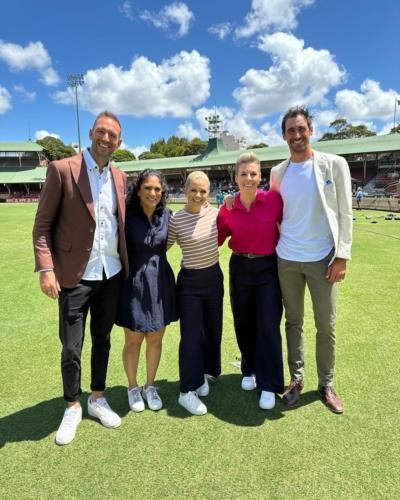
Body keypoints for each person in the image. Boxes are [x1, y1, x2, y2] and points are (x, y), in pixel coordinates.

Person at [32, 111, 128, 445]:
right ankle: (72, 404)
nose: (105, 139)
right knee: (72, 347)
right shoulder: (62, 169)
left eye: (112, 135)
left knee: (103, 339)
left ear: (119, 141)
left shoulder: (119, 175)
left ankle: (97, 397)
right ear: (90, 133)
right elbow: (42, 225)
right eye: (101, 132)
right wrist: (46, 269)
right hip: (74, 276)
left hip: (111, 273)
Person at [270, 106, 352, 414]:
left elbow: (345, 212)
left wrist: (342, 255)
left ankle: (326, 383)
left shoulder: (334, 165)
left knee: (325, 325)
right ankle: (296, 379)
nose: (296, 135)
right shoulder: (278, 172)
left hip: (323, 260)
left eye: (301, 128)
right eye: (290, 130)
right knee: (293, 322)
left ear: (311, 130)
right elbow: (273, 211)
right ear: (284, 135)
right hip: (287, 258)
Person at [218, 152, 284, 410]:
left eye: (253, 174)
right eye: (243, 174)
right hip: (240, 267)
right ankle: (249, 369)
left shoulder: (273, 201)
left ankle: (269, 384)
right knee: (243, 321)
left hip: (268, 267)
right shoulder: (228, 207)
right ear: (235, 178)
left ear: (260, 177)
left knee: (268, 324)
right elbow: (216, 237)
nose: (248, 178)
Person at [116, 169, 177, 413]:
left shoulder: (168, 216)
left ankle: (150, 386)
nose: (153, 193)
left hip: (160, 281)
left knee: (156, 337)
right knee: (133, 339)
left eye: (157, 189)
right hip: (132, 282)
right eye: (148, 188)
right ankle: (132, 387)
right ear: (138, 190)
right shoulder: (125, 216)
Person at [168, 171, 224, 416]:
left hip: (214, 278)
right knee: (190, 337)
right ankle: (186, 392)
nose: (198, 195)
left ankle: (201, 375)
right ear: (185, 189)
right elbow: (161, 247)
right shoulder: (176, 220)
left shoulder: (216, 213)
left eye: (203, 191)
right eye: (194, 190)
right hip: (189, 284)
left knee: (212, 331)